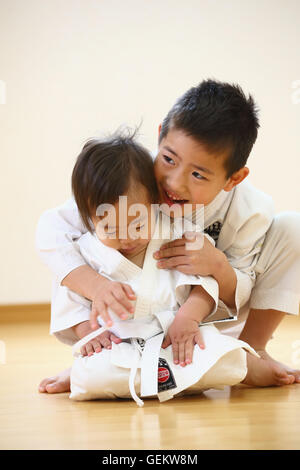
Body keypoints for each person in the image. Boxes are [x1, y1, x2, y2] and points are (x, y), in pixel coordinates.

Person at [37, 79, 300, 395]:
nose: (174, 182)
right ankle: (95, 355)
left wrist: (217, 265)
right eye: (169, 159)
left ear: (234, 178)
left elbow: (240, 289)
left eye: (198, 174)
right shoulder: (132, 174)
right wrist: (97, 288)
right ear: (161, 136)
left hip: (202, 312)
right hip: (124, 319)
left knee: (293, 227)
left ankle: (251, 350)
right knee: (71, 256)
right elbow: (55, 231)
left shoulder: (250, 210)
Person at [47, 132, 261, 406]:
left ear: (155, 203)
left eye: (137, 224)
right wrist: (88, 333)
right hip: (116, 344)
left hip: (174, 339)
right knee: (92, 376)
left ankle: (142, 379)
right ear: (87, 217)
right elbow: (71, 300)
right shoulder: (85, 252)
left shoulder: (177, 235)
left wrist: (189, 317)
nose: (126, 238)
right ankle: (172, 382)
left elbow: (205, 285)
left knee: (226, 358)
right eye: (110, 228)